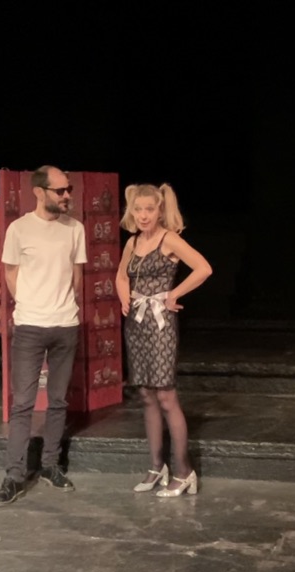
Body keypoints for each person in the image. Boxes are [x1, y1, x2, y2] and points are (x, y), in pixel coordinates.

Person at [0, 165, 87, 506]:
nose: (67, 195)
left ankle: (50, 465)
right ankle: (15, 477)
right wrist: (32, 305)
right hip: (30, 326)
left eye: (68, 189)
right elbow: (11, 274)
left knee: (58, 400)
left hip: (65, 325)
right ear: (39, 192)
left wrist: (63, 307)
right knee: (23, 404)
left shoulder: (75, 229)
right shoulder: (18, 229)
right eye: (60, 190)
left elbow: (77, 276)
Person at [116, 183, 212, 497]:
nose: (143, 215)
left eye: (149, 209)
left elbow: (203, 269)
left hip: (160, 324)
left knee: (166, 396)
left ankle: (184, 471)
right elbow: (121, 275)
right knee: (146, 394)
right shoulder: (132, 242)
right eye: (138, 209)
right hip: (136, 323)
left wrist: (174, 294)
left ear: (159, 210)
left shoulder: (168, 239)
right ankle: (157, 466)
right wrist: (124, 297)